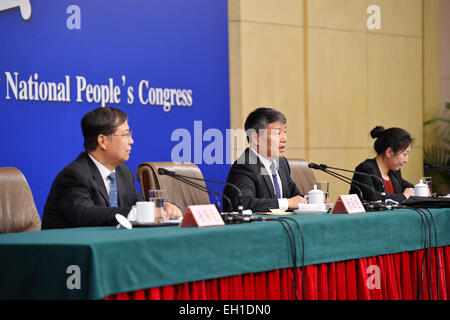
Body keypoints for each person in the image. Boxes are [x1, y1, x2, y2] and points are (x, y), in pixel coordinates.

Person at [42, 107, 182, 229]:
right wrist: (139, 213)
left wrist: (162, 208)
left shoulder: (123, 173)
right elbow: (86, 215)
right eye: (126, 135)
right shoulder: (74, 175)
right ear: (103, 141)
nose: (131, 141)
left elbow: (139, 205)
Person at [223, 107, 306, 212]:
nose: (284, 139)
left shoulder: (281, 163)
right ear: (256, 138)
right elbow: (242, 203)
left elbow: (295, 197)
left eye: (285, 132)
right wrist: (286, 203)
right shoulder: (245, 165)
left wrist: (311, 199)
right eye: (277, 133)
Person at [349, 126, 415, 203]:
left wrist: (420, 189)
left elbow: (406, 186)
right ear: (389, 152)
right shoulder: (365, 169)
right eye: (405, 154)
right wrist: (403, 196)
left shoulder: (394, 172)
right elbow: (372, 197)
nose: (406, 160)